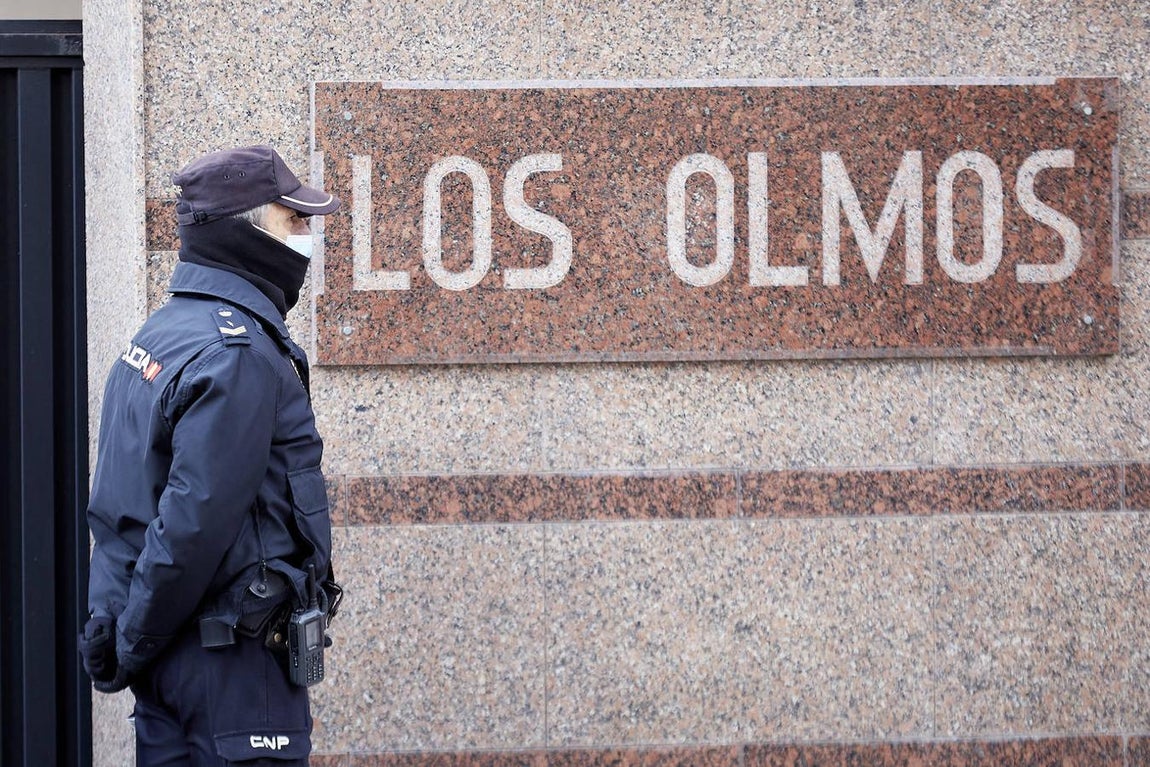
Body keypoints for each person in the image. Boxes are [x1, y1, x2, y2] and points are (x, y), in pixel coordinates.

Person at [81, 145, 343, 766]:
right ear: (244, 232)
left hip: (178, 662)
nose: (307, 239)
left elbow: (121, 516)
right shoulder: (238, 354)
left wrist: (120, 638)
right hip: (232, 672)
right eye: (294, 221)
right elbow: (191, 527)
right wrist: (135, 640)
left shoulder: (163, 334)